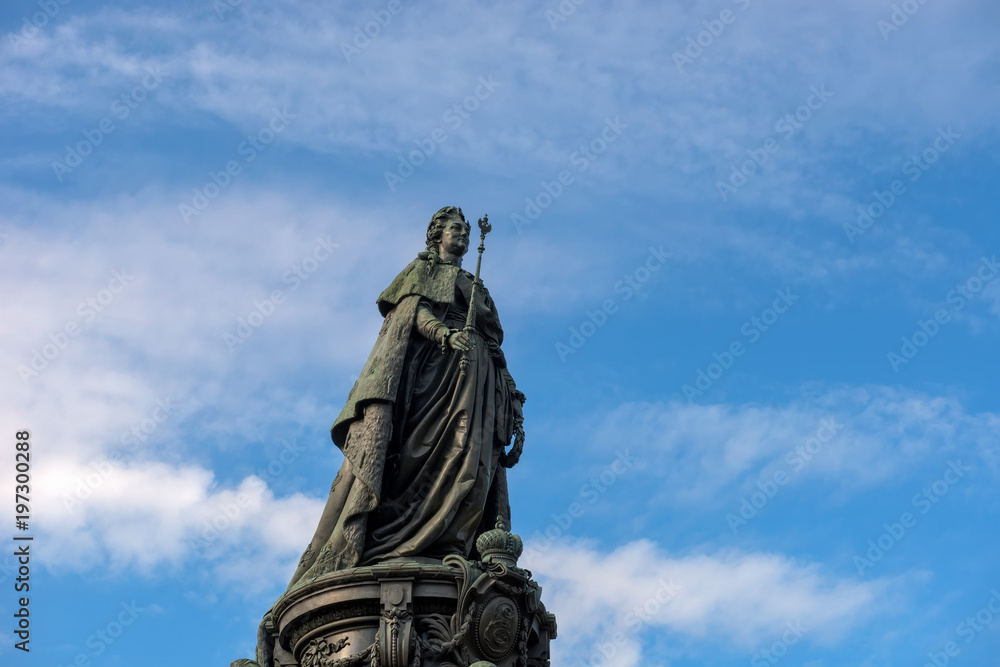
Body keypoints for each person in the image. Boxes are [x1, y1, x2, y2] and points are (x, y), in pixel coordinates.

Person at [287, 206, 525, 589]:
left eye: (466, 229)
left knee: (476, 460)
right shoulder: (422, 271)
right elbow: (416, 314)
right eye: (455, 228)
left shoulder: (473, 281)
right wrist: (445, 335)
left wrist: (510, 396)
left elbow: (495, 344)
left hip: (479, 378)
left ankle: (455, 542)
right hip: (438, 374)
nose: (463, 233)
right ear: (437, 235)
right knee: (433, 452)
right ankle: (404, 536)